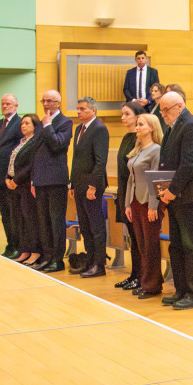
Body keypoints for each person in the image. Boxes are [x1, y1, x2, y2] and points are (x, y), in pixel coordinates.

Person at [157, 91, 193, 310]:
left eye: (165, 110)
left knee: (190, 245)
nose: (162, 114)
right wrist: (164, 189)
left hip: (188, 194)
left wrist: (173, 190)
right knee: (176, 245)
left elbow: (189, 163)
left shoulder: (191, 125)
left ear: (179, 106)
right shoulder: (174, 126)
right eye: (161, 110)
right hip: (176, 195)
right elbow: (168, 161)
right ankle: (181, 290)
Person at [31, 90, 73, 273]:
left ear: (58, 102)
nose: (46, 104)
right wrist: (33, 178)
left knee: (56, 222)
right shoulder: (41, 122)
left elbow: (57, 144)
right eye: (43, 101)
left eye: (49, 101)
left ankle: (57, 259)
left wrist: (48, 126)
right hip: (40, 179)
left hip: (56, 179)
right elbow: (35, 151)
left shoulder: (65, 122)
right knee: (44, 221)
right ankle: (47, 257)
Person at [69, 97, 110, 278]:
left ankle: (99, 264)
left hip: (92, 185)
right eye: (77, 109)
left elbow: (100, 161)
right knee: (85, 226)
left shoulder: (99, 128)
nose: (78, 112)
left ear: (93, 110)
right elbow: (76, 159)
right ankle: (90, 261)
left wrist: (93, 186)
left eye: (82, 109)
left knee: (96, 226)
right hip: (79, 184)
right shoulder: (79, 128)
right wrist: (72, 183)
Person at [124, 113, 164, 298]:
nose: (137, 127)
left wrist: (153, 206)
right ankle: (145, 281)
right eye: (137, 124)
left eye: (141, 124)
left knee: (151, 245)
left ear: (151, 128)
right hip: (135, 201)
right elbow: (131, 179)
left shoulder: (156, 150)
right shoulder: (138, 149)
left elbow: (156, 179)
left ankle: (152, 285)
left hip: (148, 202)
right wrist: (127, 204)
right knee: (141, 244)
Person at [114, 101, 147, 291]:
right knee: (132, 239)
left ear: (138, 116)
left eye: (127, 114)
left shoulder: (142, 139)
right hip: (125, 193)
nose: (123, 118)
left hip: (137, 195)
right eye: (122, 114)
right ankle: (134, 274)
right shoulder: (127, 137)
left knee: (139, 239)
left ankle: (142, 276)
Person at [3, 113, 43, 266]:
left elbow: (29, 166)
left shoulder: (35, 142)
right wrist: (7, 177)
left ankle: (35, 252)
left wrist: (16, 180)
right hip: (15, 186)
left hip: (26, 186)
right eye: (22, 124)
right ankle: (24, 250)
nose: (23, 126)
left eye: (27, 123)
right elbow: (12, 163)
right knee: (19, 219)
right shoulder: (22, 141)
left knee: (30, 219)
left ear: (35, 126)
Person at [0, 94, 23, 258]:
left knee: (13, 213)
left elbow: (19, 153)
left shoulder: (20, 124)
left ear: (16, 106)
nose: (5, 106)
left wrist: (14, 176)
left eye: (8, 104)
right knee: (4, 214)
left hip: (10, 178)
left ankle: (17, 245)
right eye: (3, 103)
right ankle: (10, 244)